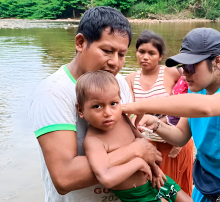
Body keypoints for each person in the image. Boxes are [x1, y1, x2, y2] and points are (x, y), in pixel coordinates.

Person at [122, 28, 220, 202]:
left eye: (190, 66)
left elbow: (206, 108)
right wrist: (156, 124)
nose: (185, 73)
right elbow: (180, 136)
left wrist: (139, 106)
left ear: (218, 61)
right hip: (209, 185)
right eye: (182, 67)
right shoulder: (197, 92)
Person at [28, 7, 162, 202]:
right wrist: (135, 150)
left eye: (122, 54)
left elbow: (130, 135)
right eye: (107, 51)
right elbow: (64, 178)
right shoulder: (53, 94)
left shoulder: (120, 84)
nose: (115, 62)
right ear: (81, 43)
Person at [75, 70, 193, 202]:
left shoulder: (122, 119)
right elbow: (106, 178)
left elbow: (145, 145)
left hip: (156, 180)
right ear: (80, 110)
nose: (108, 112)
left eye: (113, 103)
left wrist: (155, 169)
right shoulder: (94, 141)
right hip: (139, 196)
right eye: (97, 106)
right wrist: (138, 162)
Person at [126, 29, 194, 196]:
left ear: (160, 56)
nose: (145, 57)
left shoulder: (170, 72)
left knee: (179, 190)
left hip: (174, 142)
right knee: (156, 191)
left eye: (151, 53)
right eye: (141, 52)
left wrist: (180, 140)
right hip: (149, 144)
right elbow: (131, 114)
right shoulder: (130, 79)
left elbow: (189, 98)